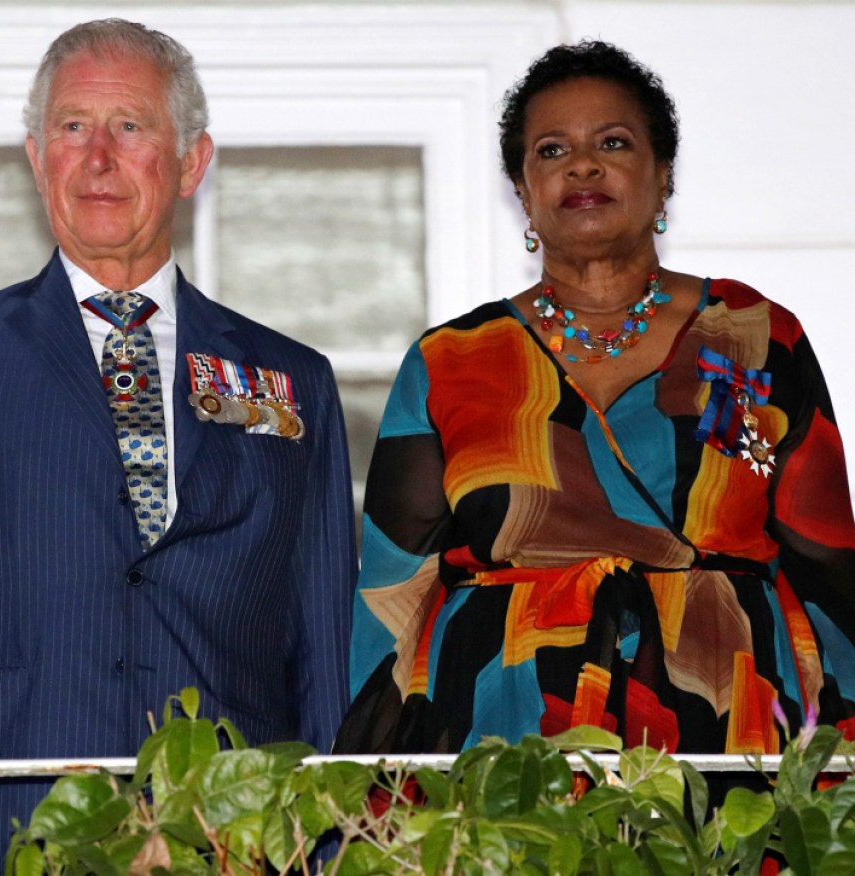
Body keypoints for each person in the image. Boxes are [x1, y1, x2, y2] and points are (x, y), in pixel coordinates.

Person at [0, 18, 356, 873]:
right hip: (2, 819)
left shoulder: (290, 380)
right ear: (34, 156)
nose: (97, 157)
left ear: (191, 163)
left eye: (129, 127)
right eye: (71, 128)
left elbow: (322, 640)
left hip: (229, 827)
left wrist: (330, 835)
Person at [336, 41, 855, 756]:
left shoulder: (756, 336)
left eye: (611, 142)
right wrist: (367, 780)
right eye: (551, 151)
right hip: (502, 735)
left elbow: (825, 564)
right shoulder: (450, 359)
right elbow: (393, 593)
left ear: (661, 175)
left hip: (727, 721)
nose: (582, 165)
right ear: (523, 191)